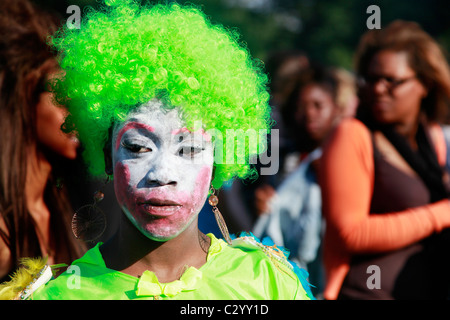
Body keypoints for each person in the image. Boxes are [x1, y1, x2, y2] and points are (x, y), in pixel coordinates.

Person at [2, 0, 313, 300]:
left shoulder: (268, 282)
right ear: (107, 155)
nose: (162, 174)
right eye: (138, 147)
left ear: (219, 161)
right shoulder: (61, 295)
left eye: (189, 149)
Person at [320, 20, 450, 300]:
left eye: (392, 81)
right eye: (371, 79)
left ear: (424, 84)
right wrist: (440, 215)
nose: (378, 89)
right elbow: (350, 232)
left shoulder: (433, 139)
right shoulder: (351, 134)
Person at [0, 0, 86, 283]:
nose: (77, 114)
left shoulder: (66, 207)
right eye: (62, 97)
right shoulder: (4, 234)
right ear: (25, 101)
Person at [253, 65, 356, 298]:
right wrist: (262, 202)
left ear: (337, 109)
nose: (309, 114)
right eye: (301, 107)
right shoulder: (279, 157)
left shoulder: (349, 156)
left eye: (318, 106)